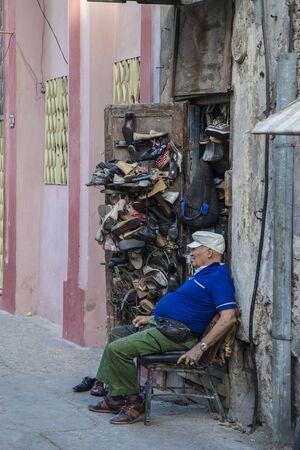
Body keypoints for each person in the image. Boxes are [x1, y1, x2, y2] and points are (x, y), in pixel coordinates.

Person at [73, 231, 237, 425]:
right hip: (165, 325)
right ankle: (116, 396)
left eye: (195, 249)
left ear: (210, 252)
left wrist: (199, 348)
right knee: (117, 334)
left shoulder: (219, 278)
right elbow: (187, 306)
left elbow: (229, 318)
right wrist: (152, 317)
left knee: (117, 350)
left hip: (177, 335)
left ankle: (134, 402)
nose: (191, 253)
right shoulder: (204, 274)